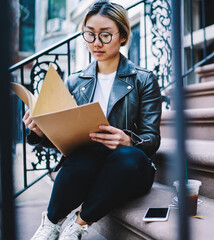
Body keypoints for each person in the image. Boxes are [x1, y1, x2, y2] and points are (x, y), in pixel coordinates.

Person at [25, 1, 162, 239]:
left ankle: (78, 224)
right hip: (88, 164)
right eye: (90, 34)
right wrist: (40, 132)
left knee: (127, 158)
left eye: (106, 35)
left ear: (123, 37)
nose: (96, 43)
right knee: (80, 158)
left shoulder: (144, 79)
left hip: (129, 167)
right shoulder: (75, 82)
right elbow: (64, 140)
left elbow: (152, 138)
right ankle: (50, 223)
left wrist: (128, 140)